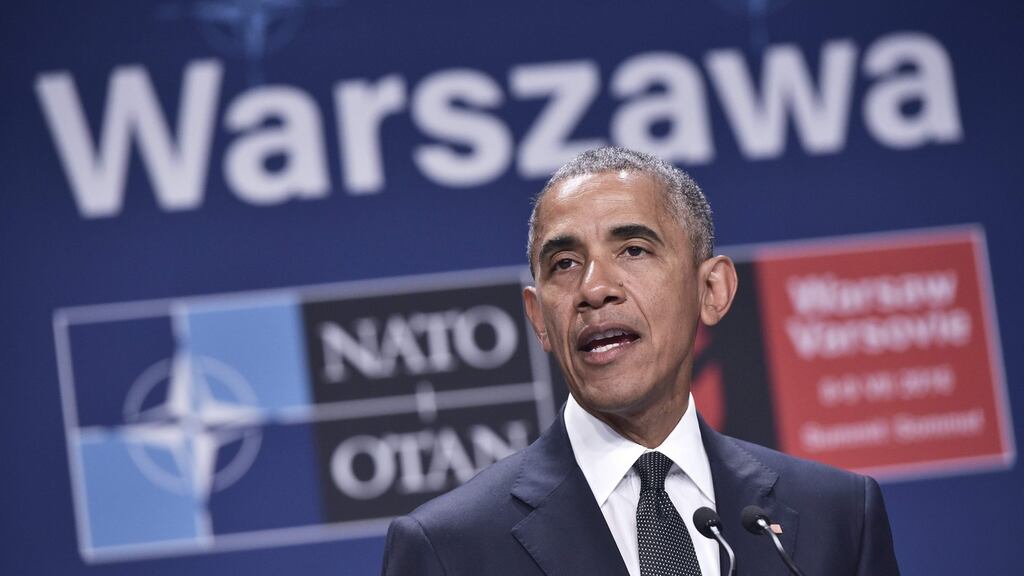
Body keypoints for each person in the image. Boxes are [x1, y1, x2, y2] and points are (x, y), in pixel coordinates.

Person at [380, 147, 900, 576]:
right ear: (539, 318)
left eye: (633, 250)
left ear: (711, 290)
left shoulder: (838, 515)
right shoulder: (448, 550)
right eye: (564, 264)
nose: (595, 289)